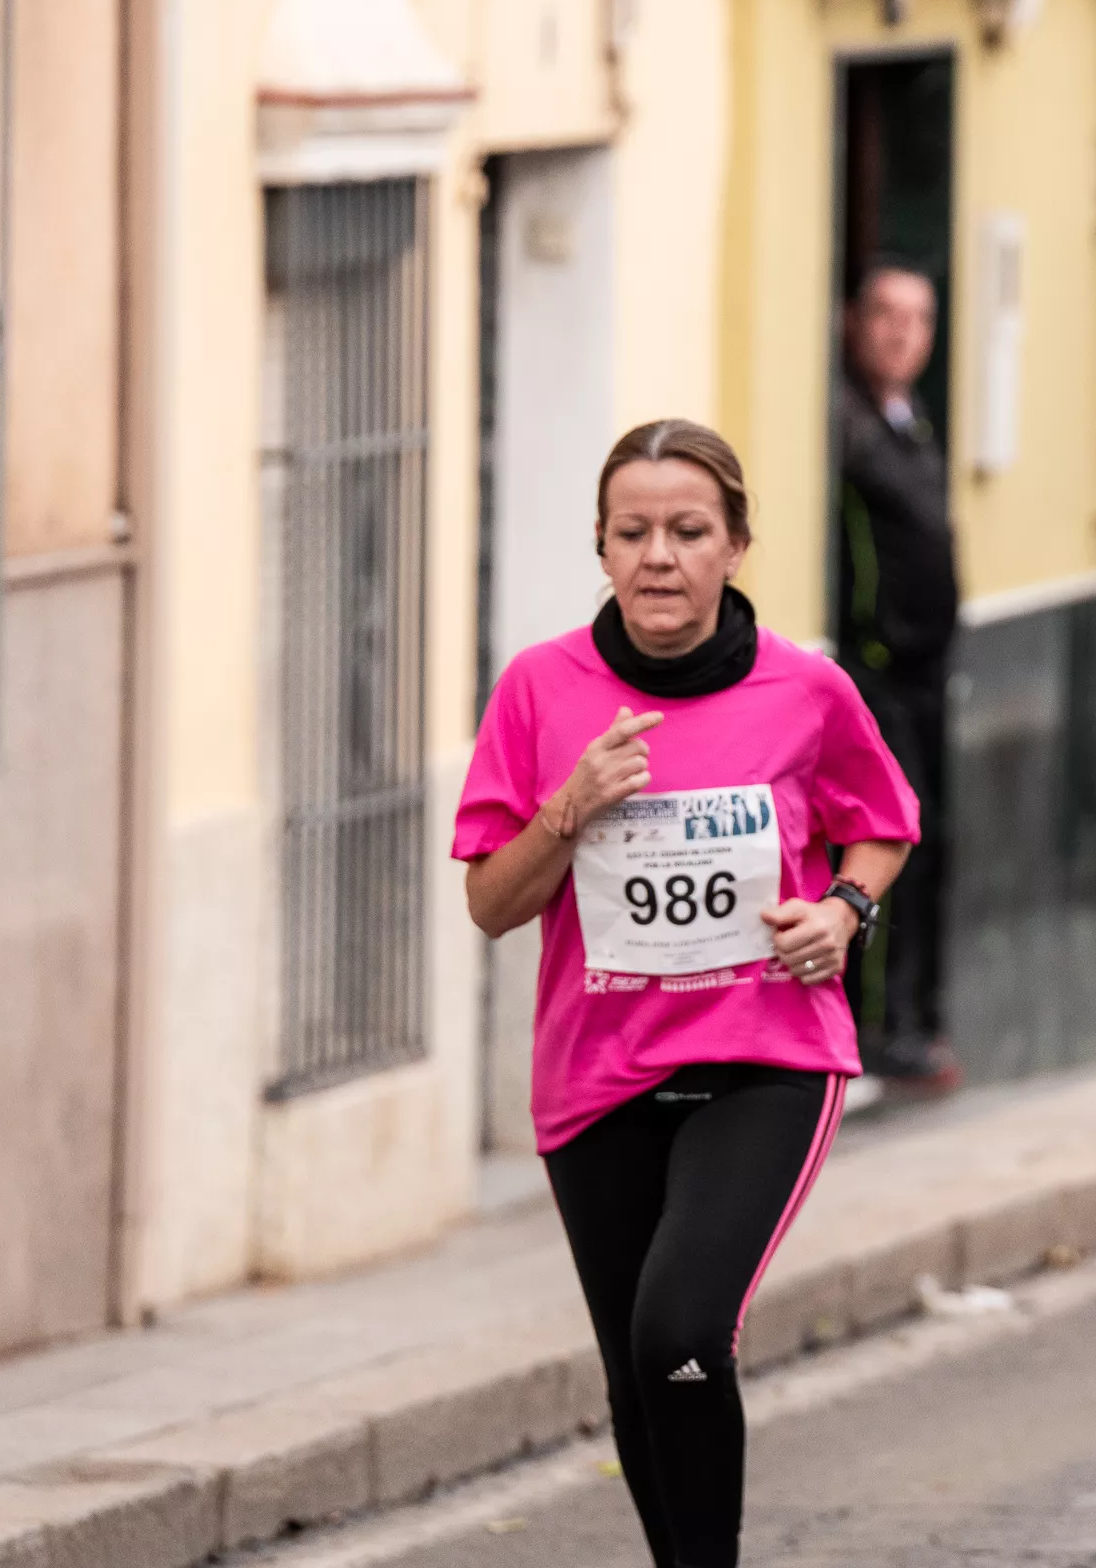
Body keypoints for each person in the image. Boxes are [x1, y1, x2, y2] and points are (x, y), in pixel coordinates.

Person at [456, 420, 918, 1567]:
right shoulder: (540, 688)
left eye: (688, 530)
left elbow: (885, 826)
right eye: (634, 532)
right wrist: (570, 806)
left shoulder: (806, 689)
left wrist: (843, 913)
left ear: (736, 545)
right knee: (635, 1366)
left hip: (763, 1056)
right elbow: (490, 902)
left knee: (682, 1329)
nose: (659, 555)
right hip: (597, 1074)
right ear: (603, 551)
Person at [831, 257, 962, 1093]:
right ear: (854, 322)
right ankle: (872, 1030)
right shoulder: (847, 427)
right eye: (884, 314)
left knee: (933, 842)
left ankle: (916, 1021)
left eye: (917, 319)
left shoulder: (910, 421)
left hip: (927, 671)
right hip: (872, 671)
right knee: (886, 840)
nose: (899, 333)